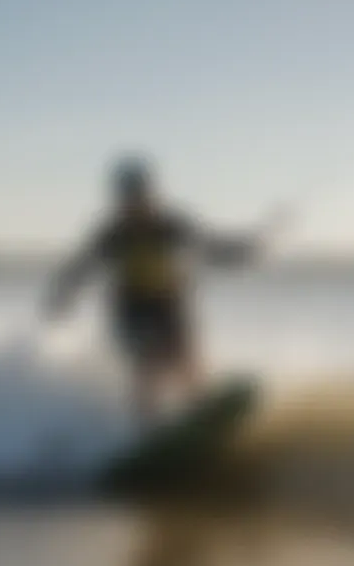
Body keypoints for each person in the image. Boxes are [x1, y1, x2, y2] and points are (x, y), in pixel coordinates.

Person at [43, 154, 280, 428]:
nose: (135, 203)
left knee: (187, 358)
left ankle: (200, 413)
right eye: (128, 197)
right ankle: (147, 428)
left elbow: (211, 247)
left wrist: (245, 251)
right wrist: (61, 296)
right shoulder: (112, 234)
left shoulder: (170, 225)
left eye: (140, 195)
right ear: (120, 199)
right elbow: (80, 267)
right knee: (148, 363)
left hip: (169, 303)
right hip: (131, 308)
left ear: (150, 194)